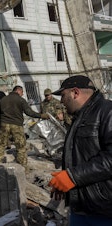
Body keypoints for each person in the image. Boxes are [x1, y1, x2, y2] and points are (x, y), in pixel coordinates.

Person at [48, 75, 112, 226]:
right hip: (81, 207)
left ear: (75, 93)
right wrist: (64, 181)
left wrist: (72, 177)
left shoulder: (107, 111)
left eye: (63, 96)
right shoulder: (80, 117)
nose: (61, 102)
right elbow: (82, 154)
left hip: (104, 210)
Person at [0, 85, 49, 169]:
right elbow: (29, 113)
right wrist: (42, 115)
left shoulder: (2, 100)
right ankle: (23, 167)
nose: (22, 94)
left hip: (4, 124)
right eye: (22, 92)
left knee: (0, 145)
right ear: (18, 91)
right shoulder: (21, 100)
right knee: (20, 146)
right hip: (17, 125)